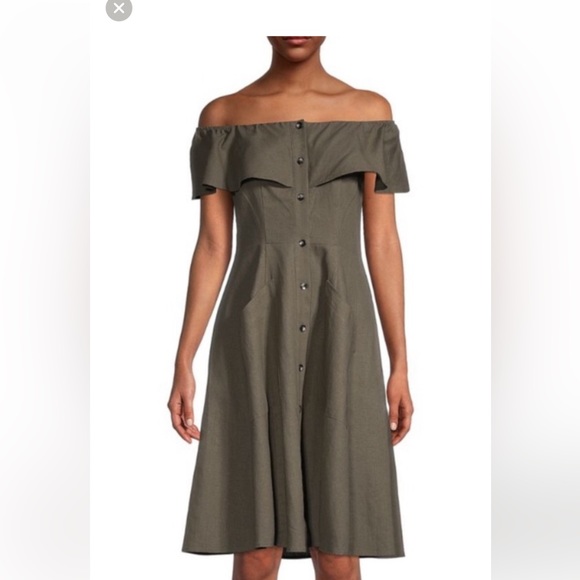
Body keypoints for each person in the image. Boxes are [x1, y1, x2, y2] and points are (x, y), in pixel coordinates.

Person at [168, 36, 414, 580]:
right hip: (252, 335)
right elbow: (213, 245)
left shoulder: (370, 113)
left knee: (339, 548)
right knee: (256, 547)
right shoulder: (223, 117)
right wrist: (184, 358)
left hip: (344, 334)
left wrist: (399, 362)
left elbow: (383, 241)